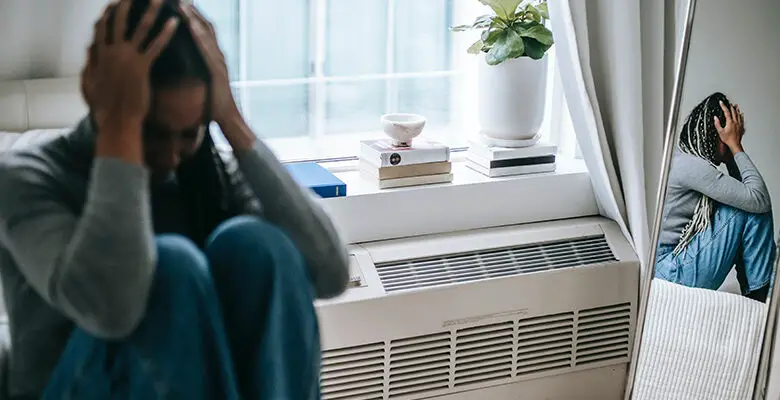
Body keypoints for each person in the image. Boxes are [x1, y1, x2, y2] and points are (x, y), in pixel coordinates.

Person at [0, 1, 350, 399]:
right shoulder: (27, 177)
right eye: (151, 132)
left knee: (258, 245)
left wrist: (231, 122)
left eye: (189, 134)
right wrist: (121, 129)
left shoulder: (206, 175)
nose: (170, 157)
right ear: (97, 95)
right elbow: (111, 308)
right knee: (171, 266)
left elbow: (330, 274)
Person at [655, 92, 775, 302]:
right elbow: (757, 198)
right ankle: (762, 296)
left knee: (749, 205)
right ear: (717, 133)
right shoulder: (693, 167)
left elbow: (746, 194)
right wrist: (735, 146)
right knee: (752, 209)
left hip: (666, 268)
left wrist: (731, 154)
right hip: (670, 273)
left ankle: (759, 294)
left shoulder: (684, 157)